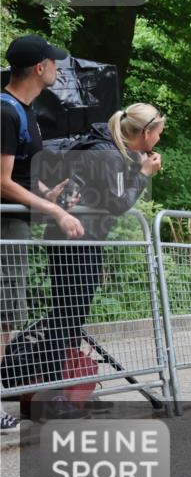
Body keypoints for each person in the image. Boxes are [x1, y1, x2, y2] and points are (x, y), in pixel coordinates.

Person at [31, 104, 165, 418]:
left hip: (79, 238)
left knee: (70, 318)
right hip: (76, 240)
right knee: (67, 318)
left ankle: (65, 390)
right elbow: (118, 203)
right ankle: (49, 395)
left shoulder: (108, 150)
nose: (160, 138)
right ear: (145, 133)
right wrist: (144, 175)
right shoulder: (106, 153)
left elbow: (107, 194)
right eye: (159, 131)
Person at [0, 36, 85, 430]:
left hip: (15, 221)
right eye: (54, 62)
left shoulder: (25, 112)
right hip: (4, 224)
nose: (58, 68)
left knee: (7, 315)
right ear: (40, 68)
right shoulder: (6, 112)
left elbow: (16, 179)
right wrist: (51, 208)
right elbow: (1, 182)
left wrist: (48, 194)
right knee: (3, 317)